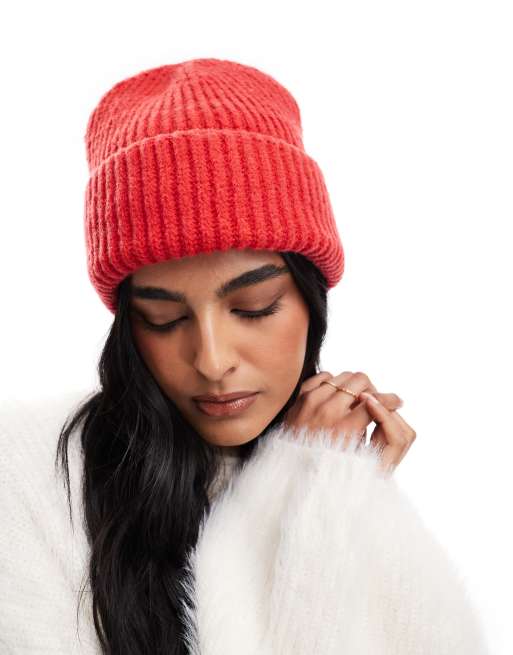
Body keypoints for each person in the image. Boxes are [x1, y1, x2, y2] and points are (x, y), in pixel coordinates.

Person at [0, 58, 489, 654]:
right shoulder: (27, 484)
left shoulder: (335, 476)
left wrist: (330, 494)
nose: (211, 361)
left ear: (310, 299)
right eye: (164, 319)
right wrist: (292, 489)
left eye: (254, 308)